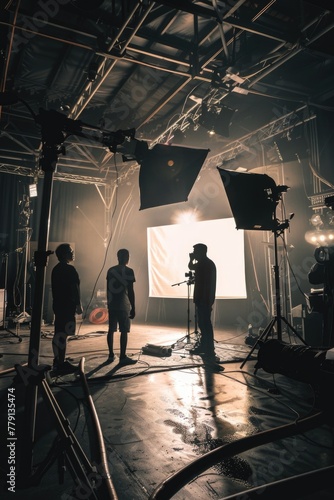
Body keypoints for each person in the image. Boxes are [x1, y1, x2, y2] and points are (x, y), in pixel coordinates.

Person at [51, 243, 82, 374]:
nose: (73, 252)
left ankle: (58, 359)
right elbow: (74, 288)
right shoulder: (70, 270)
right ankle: (61, 363)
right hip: (67, 306)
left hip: (58, 305)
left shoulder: (56, 269)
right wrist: (78, 304)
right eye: (70, 251)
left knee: (59, 332)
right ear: (64, 254)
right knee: (64, 334)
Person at [188, 243, 221, 366]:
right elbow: (192, 266)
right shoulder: (206, 263)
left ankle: (208, 349)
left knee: (205, 324)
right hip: (204, 298)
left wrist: (191, 259)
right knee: (203, 323)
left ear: (201, 252)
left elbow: (191, 266)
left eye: (195, 251)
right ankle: (205, 347)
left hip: (203, 299)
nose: (194, 253)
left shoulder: (204, 264)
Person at [106, 248, 136, 364]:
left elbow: (108, 287)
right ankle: (122, 357)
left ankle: (110, 355)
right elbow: (131, 291)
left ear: (117, 257)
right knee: (124, 331)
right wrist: (133, 307)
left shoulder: (110, 270)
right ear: (127, 258)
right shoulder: (129, 271)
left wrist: (109, 302)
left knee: (111, 330)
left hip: (112, 304)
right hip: (123, 304)